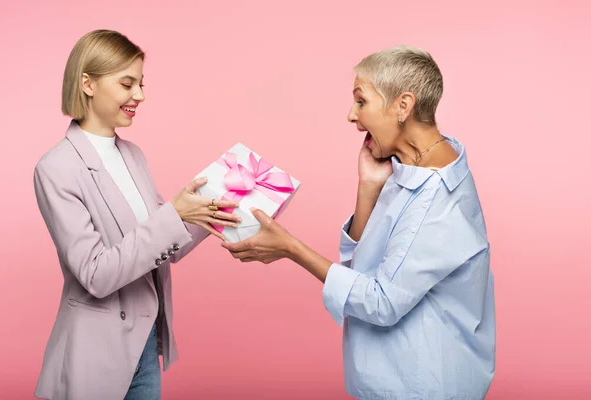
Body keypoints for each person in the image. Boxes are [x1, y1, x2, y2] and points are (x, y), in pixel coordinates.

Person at [223, 45, 496, 399]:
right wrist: (368, 188)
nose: (352, 115)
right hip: (388, 381)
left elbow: (380, 302)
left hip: (421, 387)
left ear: (403, 105)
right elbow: (361, 270)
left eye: (361, 101)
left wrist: (290, 247)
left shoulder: (436, 197)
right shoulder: (417, 163)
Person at [33, 29, 241, 400]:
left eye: (141, 84)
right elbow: (96, 274)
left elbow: (166, 246)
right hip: (95, 352)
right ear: (88, 84)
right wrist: (174, 215)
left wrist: (212, 207)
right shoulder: (56, 168)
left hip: (145, 345)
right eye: (127, 83)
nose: (139, 96)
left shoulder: (133, 155)